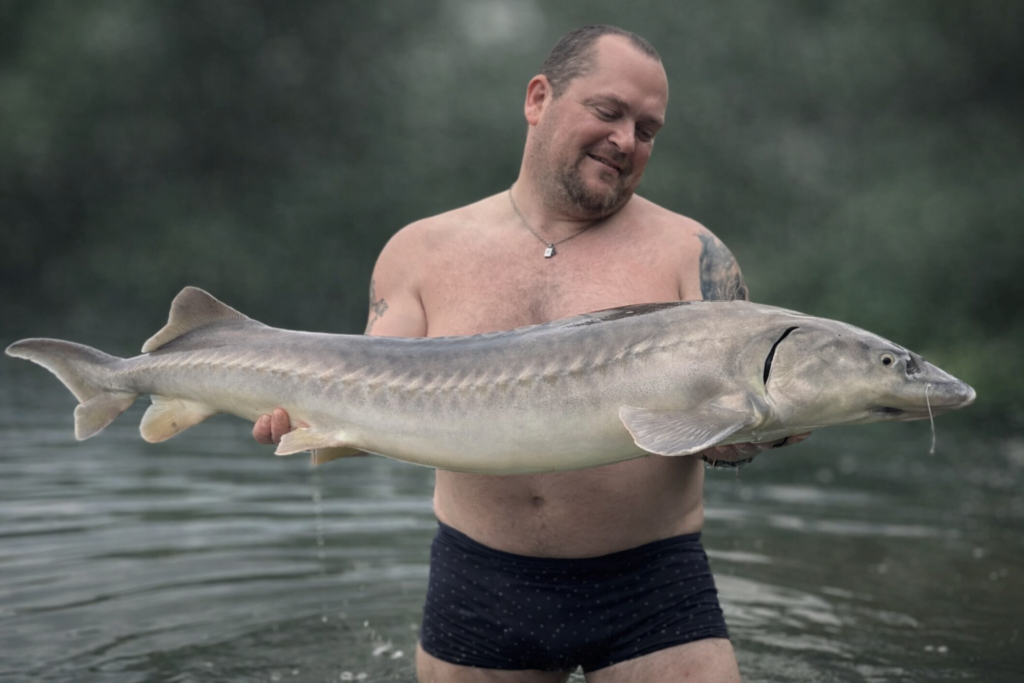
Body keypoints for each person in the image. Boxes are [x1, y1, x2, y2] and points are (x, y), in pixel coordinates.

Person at [255, 25, 806, 682]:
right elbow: (373, 406)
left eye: (648, 129)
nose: (627, 140)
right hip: (481, 581)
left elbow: (722, 445)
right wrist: (299, 416)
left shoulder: (695, 254)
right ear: (539, 98)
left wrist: (765, 426)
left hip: (650, 583)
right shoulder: (420, 251)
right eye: (608, 111)